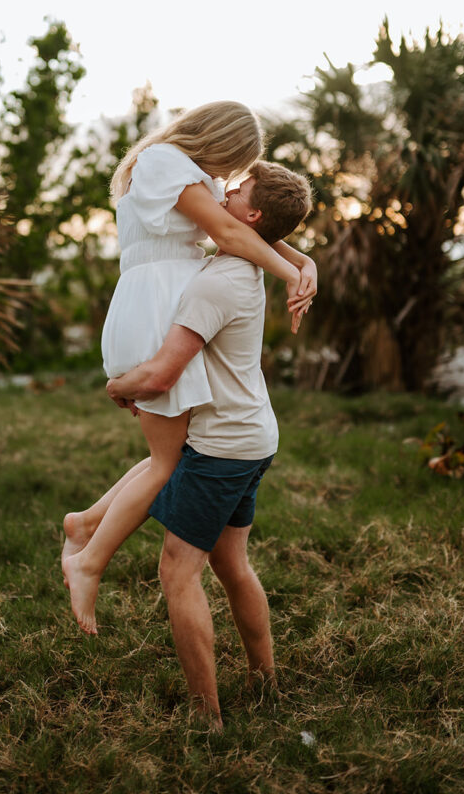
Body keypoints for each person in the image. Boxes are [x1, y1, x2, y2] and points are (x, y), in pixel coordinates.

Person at [62, 103, 316, 634]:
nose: (227, 177)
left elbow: (242, 224)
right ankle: (86, 559)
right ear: (220, 141)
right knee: (163, 463)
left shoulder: (184, 171)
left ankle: (84, 524)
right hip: (156, 306)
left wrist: (301, 261)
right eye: (233, 163)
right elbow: (228, 230)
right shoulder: (162, 161)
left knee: (169, 455)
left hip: (163, 303)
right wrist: (288, 274)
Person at [104, 161, 313, 729]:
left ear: (251, 214)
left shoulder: (215, 282)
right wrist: (301, 258)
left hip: (222, 445)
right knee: (231, 562)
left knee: (178, 571)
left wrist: (117, 384)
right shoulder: (240, 264)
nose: (223, 187)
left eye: (237, 188)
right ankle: (264, 684)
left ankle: (206, 718)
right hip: (253, 434)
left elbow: (162, 375)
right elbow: (256, 236)